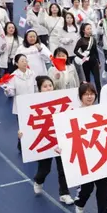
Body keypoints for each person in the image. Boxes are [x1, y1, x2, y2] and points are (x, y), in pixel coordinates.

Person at [73, 83, 107, 213]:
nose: (89, 96)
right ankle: (80, 201)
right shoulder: (74, 114)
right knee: (88, 187)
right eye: (86, 94)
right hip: (85, 156)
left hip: (100, 154)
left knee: (103, 187)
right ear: (80, 97)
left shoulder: (101, 111)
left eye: (92, 93)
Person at [29, 76, 74, 204]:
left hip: (60, 139)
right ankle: (38, 180)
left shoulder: (59, 100)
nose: (48, 88)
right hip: (45, 140)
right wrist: (22, 134)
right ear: (39, 89)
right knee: (45, 169)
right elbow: (29, 125)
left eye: (50, 85)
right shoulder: (33, 103)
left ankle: (64, 193)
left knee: (63, 167)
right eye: (45, 86)